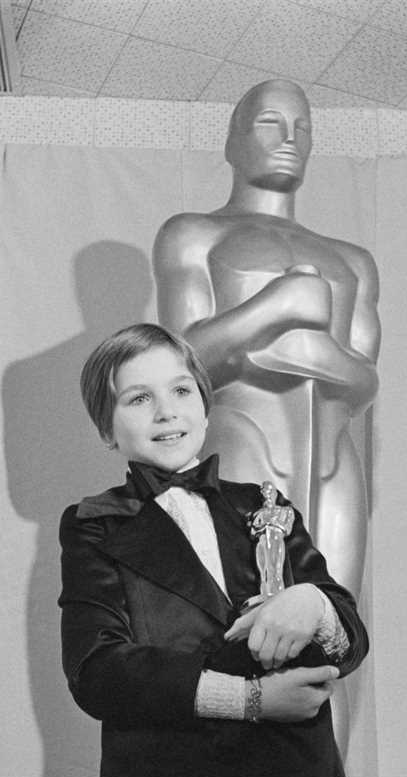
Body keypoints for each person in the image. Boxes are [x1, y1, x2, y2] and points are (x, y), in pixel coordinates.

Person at [59, 323, 368, 777]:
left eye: (180, 390)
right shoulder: (94, 525)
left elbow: (351, 638)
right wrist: (252, 702)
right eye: (139, 398)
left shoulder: (267, 505)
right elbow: (99, 672)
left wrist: (313, 604)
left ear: (204, 403)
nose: (166, 411)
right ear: (106, 428)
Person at [152, 79, 379, 610]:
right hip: (241, 443)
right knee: (250, 624)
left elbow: (365, 381)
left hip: (334, 460)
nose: (289, 138)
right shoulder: (195, 234)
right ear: (233, 143)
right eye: (269, 123)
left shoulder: (353, 259)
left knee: (337, 626)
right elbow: (182, 367)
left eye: (302, 127)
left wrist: (317, 358)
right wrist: (273, 307)